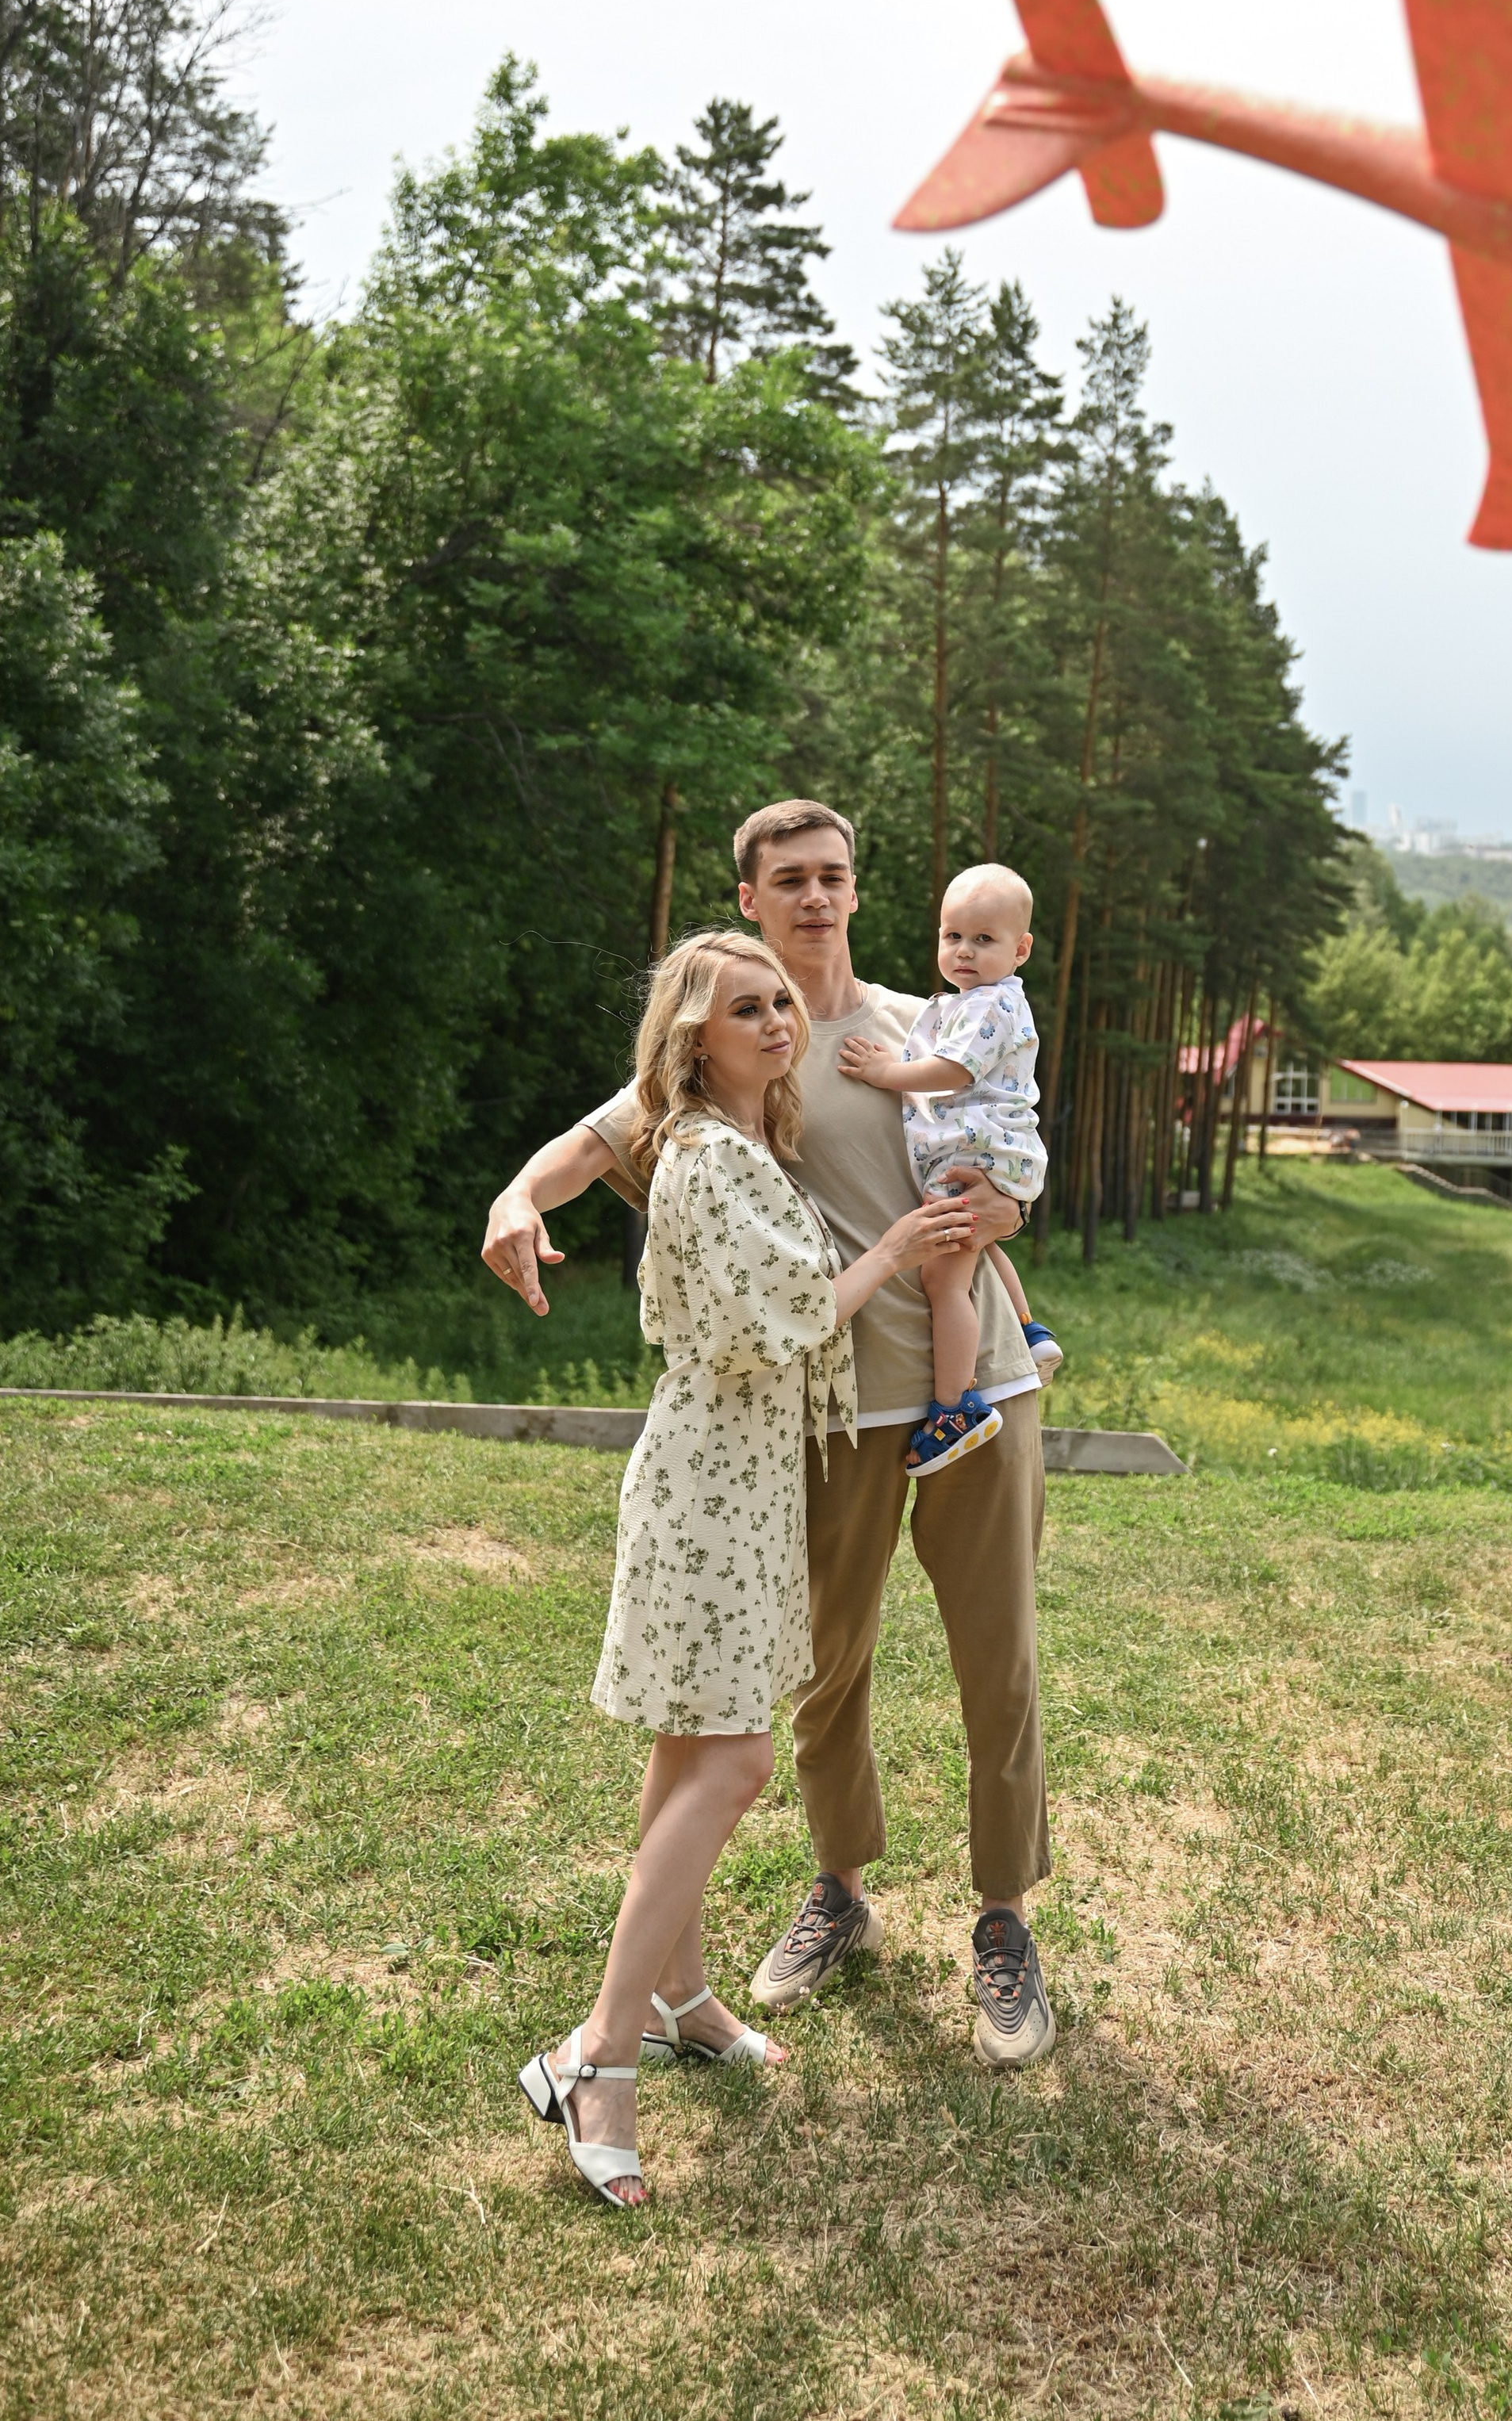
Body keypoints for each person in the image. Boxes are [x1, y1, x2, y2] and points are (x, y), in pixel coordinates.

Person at [483, 799, 1061, 2074]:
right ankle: (838, 1890)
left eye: (835, 876)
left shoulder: (929, 1021)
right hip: (833, 1408)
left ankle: (1005, 1921)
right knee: (824, 1669)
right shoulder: (736, 1042)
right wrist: (515, 1194)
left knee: (997, 1662)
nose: (815, 896)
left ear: (860, 889)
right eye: (788, 878)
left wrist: (1010, 1206)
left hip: (981, 1391)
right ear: (748, 897)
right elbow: (597, 1140)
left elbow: (1012, 1145)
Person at [516, 926, 974, 2210]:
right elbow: (782, 1321)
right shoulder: (708, 1159)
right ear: (692, 1042)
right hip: (711, 1486)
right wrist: (893, 1253)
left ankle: (681, 1997)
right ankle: (598, 2057)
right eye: (746, 1010)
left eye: (782, 1004)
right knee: (734, 1758)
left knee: (685, 1745)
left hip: (739, 1478)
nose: (778, 1023)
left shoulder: (742, 1148)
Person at [837, 860, 1062, 1481]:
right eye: (953, 935)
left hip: (974, 1155)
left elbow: (952, 1073)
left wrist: (886, 1072)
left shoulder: (989, 1007)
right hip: (989, 1155)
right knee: (977, 1251)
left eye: (984, 940)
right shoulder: (977, 1000)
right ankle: (1028, 1326)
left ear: (1021, 949)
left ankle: (956, 1404)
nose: (964, 951)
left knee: (943, 1281)